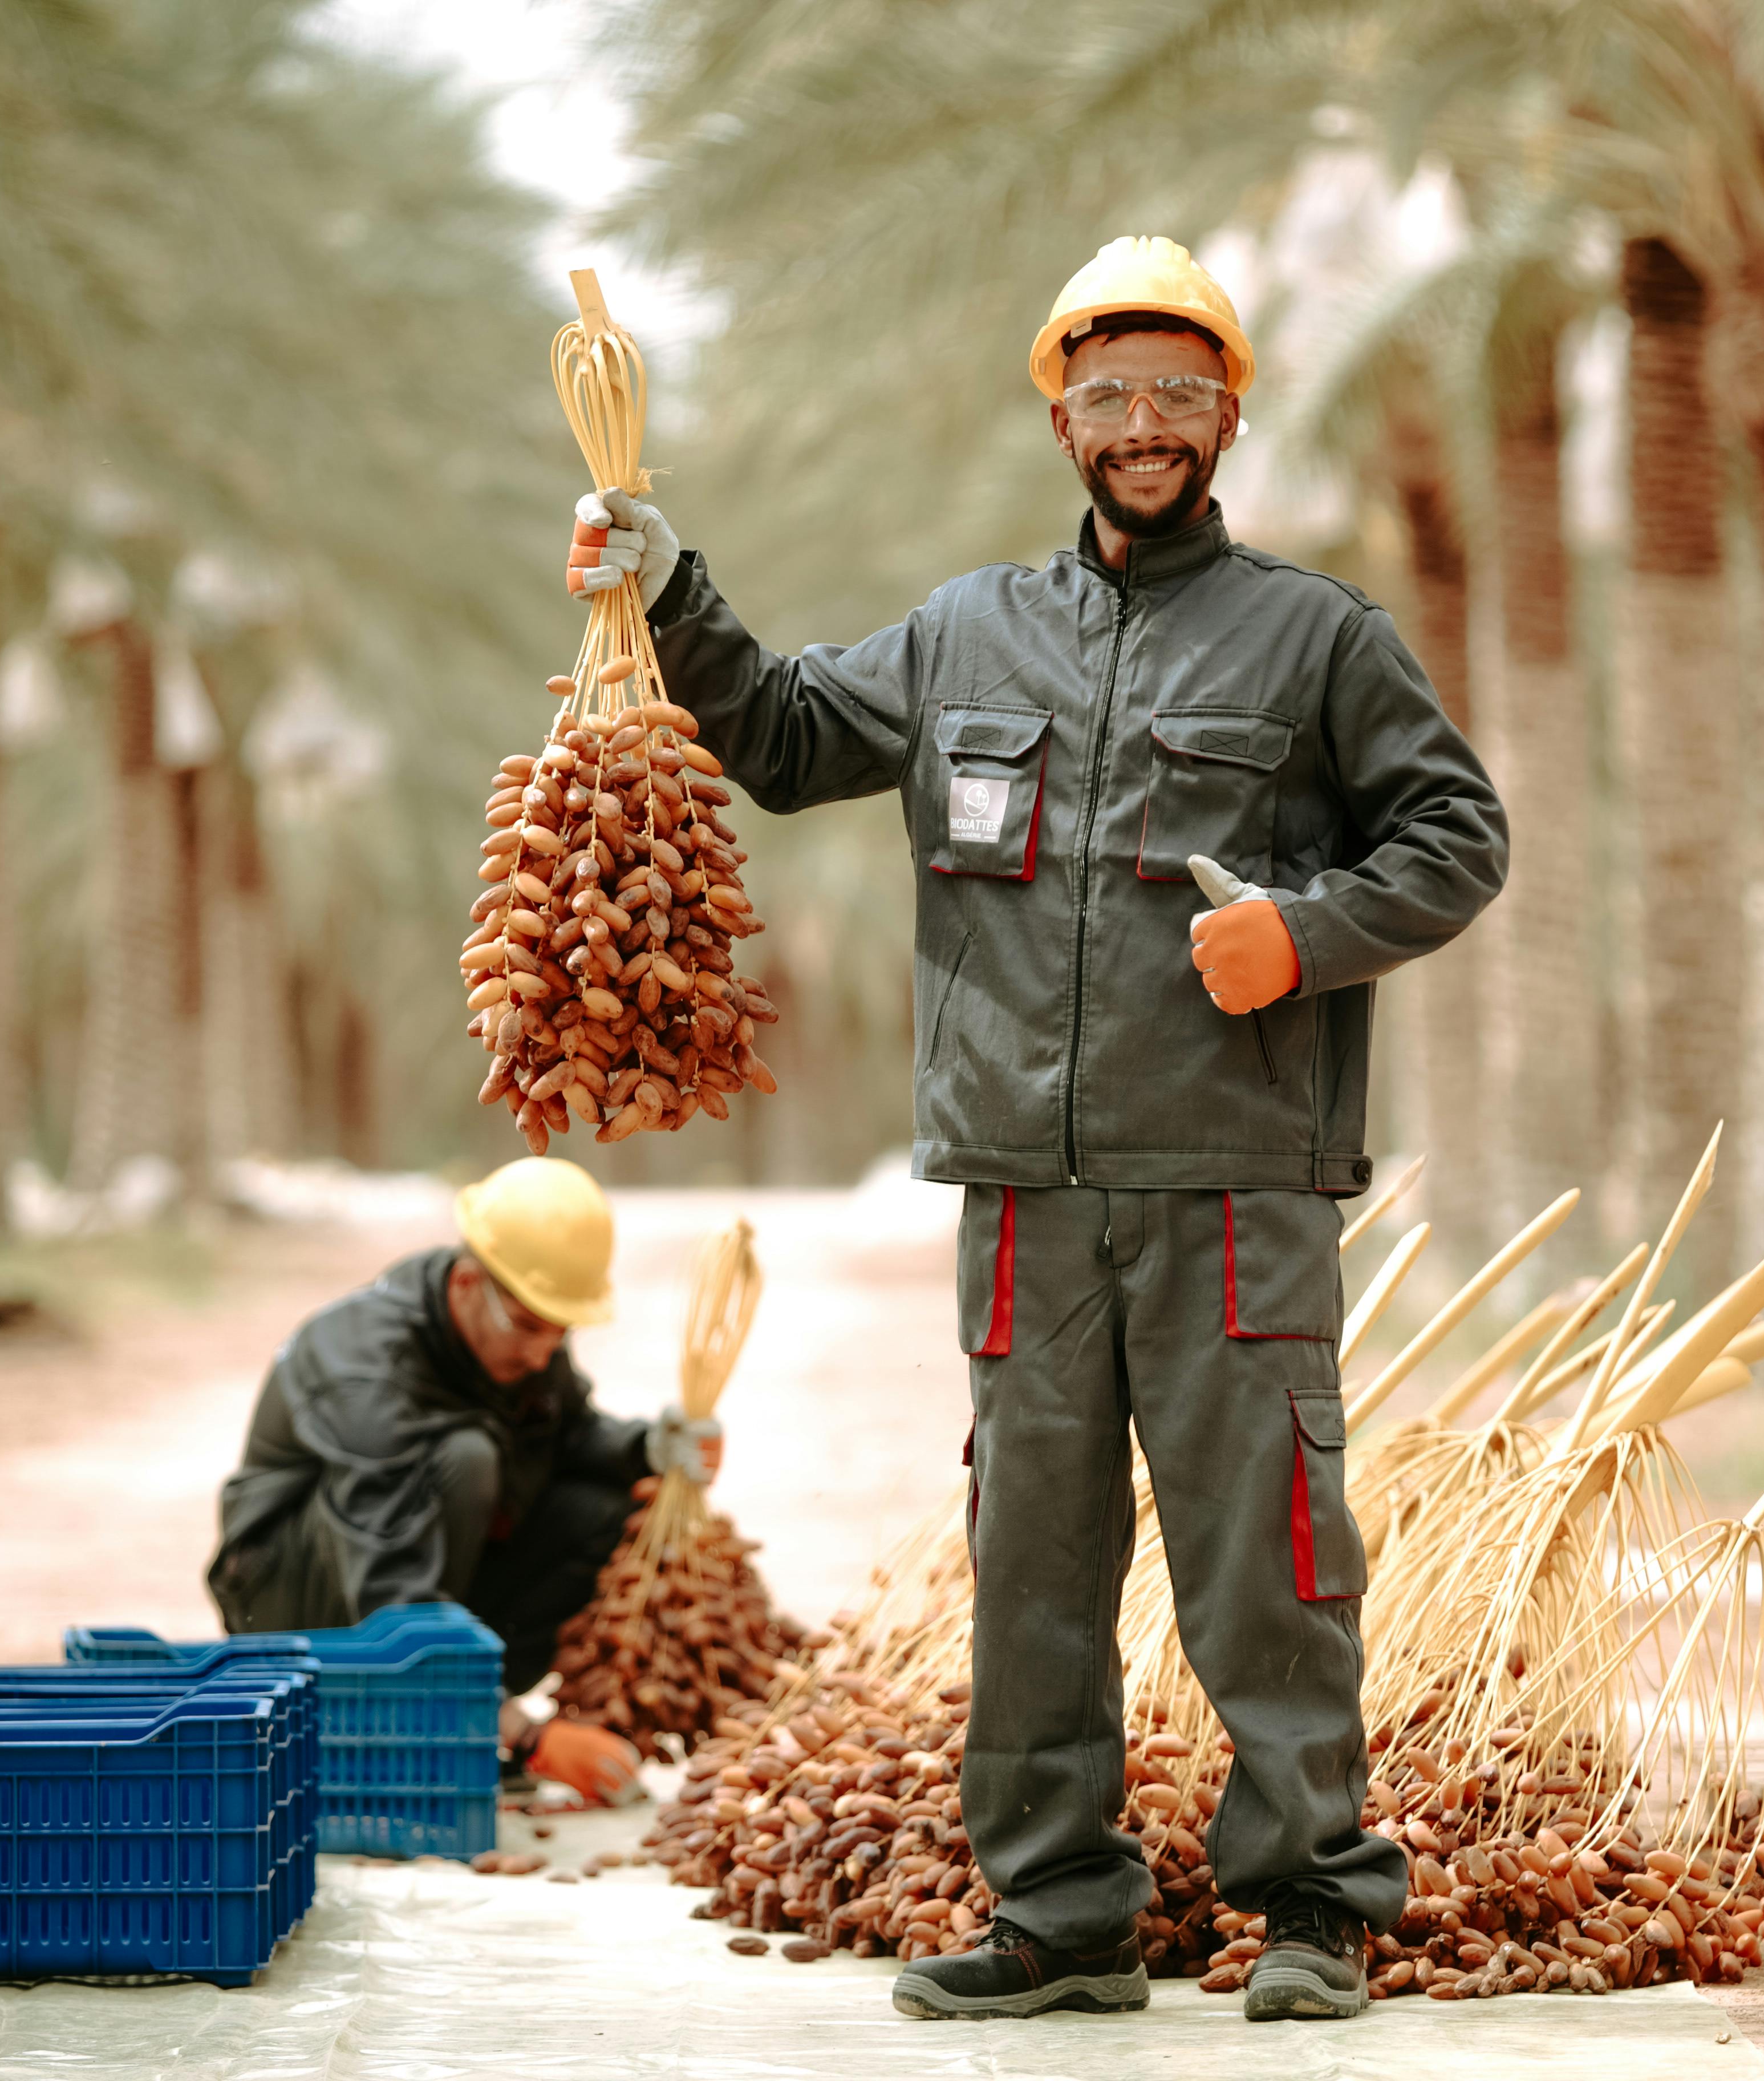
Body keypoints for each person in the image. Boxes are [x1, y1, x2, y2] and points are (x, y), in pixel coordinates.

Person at [567, 236, 1506, 2023]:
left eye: (1176, 394)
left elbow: (1455, 838)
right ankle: (1062, 1912)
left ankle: (1312, 1904)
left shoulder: (1317, 637)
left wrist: (1298, 936)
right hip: (1026, 1189)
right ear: (1060, 419)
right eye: (1108, 397)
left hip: (1237, 1182)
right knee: (1034, 1561)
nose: (1143, 426)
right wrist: (667, 585)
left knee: (1268, 1556)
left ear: (1231, 412)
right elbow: (773, 733)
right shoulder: (965, 633)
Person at [204, 1156, 720, 1699]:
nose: (544, 1356)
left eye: (560, 1332)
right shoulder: (364, 1372)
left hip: (404, 1566)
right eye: (529, 1328)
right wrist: (526, 1737)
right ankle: (429, 1711)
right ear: (469, 1281)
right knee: (468, 1458)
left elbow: (569, 1436)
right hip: (292, 1601)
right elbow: (388, 1584)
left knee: (610, 1509)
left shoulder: (519, 1338)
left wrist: (648, 1448)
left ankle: (466, 1714)